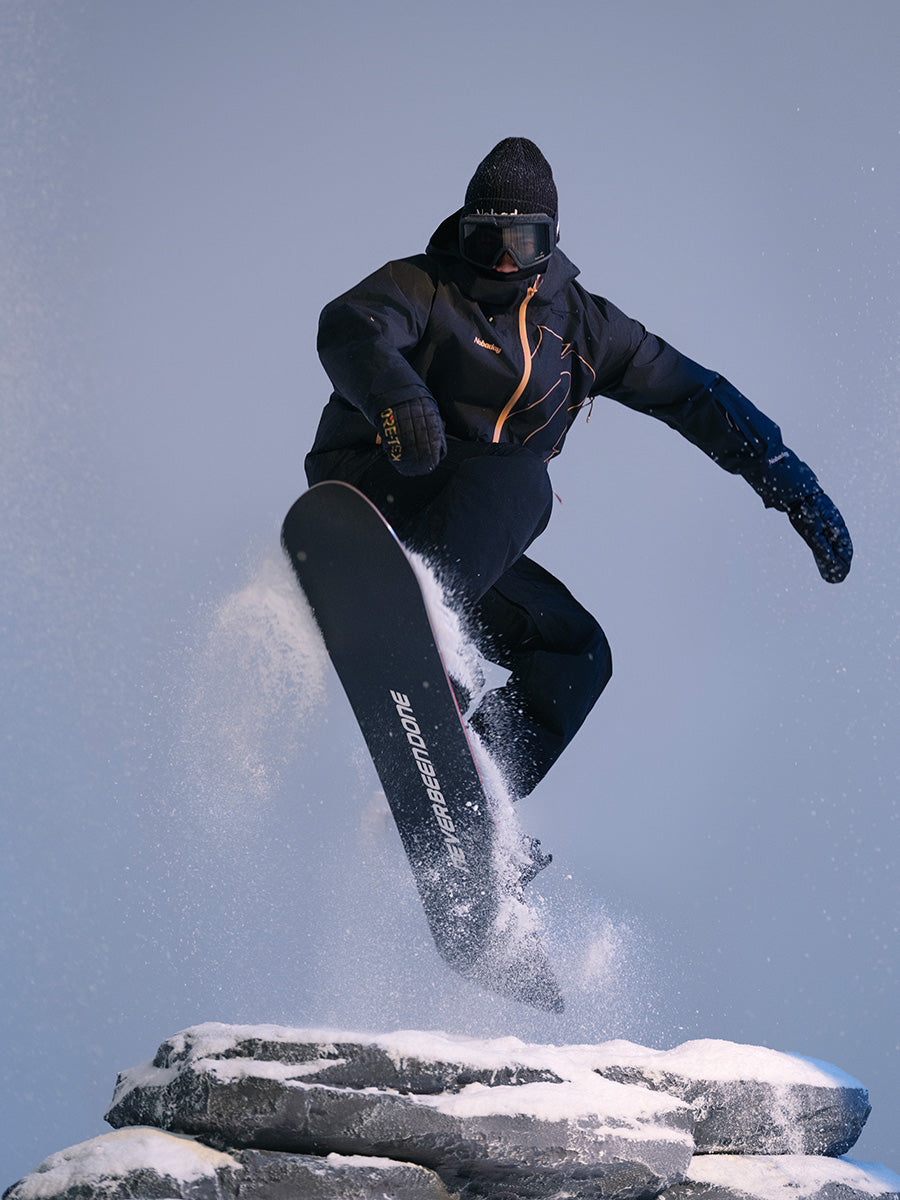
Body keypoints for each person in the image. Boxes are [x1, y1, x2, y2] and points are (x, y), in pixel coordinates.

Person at [305, 137, 852, 855]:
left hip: (465, 540)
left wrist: (794, 487)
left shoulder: (585, 329)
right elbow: (351, 327)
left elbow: (695, 394)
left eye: (521, 239)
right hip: (379, 481)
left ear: (550, 241)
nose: (502, 259)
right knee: (522, 480)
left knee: (577, 652)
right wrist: (396, 394)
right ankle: (430, 638)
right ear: (462, 229)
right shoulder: (423, 285)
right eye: (485, 237)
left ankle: (475, 797)